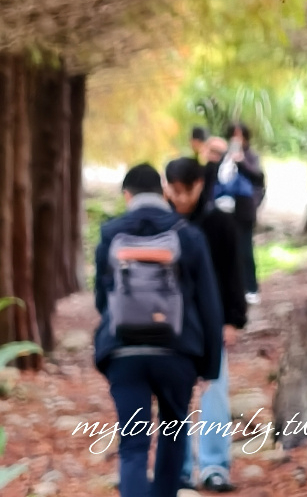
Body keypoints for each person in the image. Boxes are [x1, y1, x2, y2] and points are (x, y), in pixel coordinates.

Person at [93, 163, 224, 497]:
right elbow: (209, 304)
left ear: (127, 195)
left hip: (124, 353)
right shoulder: (187, 234)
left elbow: (101, 299)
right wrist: (210, 367)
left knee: (133, 445)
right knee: (173, 434)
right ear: (163, 192)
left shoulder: (110, 234)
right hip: (177, 353)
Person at [165, 157, 247, 494]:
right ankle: (180, 469)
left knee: (214, 395)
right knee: (174, 399)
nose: (180, 198)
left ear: (199, 185)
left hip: (212, 323)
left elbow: (233, 274)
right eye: (174, 191)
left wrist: (233, 320)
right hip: (172, 325)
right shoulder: (164, 223)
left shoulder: (220, 224)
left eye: (185, 191)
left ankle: (214, 466)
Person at [225, 123, 265, 304]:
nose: (237, 139)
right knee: (230, 251)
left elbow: (258, 178)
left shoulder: (251, 157)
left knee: (246, 250)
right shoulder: (226, 156)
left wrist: (241, 162)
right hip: (227, 211)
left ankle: (252, 287)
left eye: (240, 136)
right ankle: (235, 288)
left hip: (245, 211)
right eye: (233, 136)